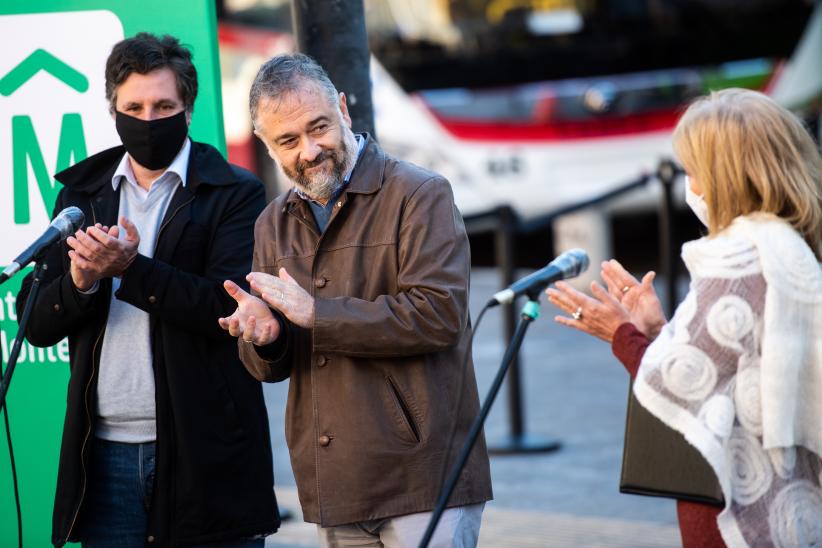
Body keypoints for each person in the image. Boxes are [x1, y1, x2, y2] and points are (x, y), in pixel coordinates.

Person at [217, 53, 493, 547]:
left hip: (425, 477)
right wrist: (266, 339)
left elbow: (439, 316)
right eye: (288, 140)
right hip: (336, 481)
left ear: (343, 109)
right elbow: (268, 368)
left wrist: (316, 315)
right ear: (266, 145)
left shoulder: (420, 193)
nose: (310, 149)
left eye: (318, 127)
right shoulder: (270, 223)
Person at [16, 33, 280, 547]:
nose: (148, 119)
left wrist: (131, 269)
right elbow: (38, 322)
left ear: (188, 110)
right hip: (105, 454)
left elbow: (226, 309)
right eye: (133, 106)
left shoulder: (234, 192)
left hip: (206, 450)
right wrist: (81, 280)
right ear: (112, 109)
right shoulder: (81, 194)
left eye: (163, 106)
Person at [547, 88, 822, 547]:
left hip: (738, 506)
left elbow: (681, 381)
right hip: (795, 501)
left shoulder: (735, 257)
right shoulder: (790, 245)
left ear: (723, 173)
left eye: (694, 170)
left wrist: (621, 334)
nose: (691, 186)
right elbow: (735, 362)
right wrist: (656, 329)